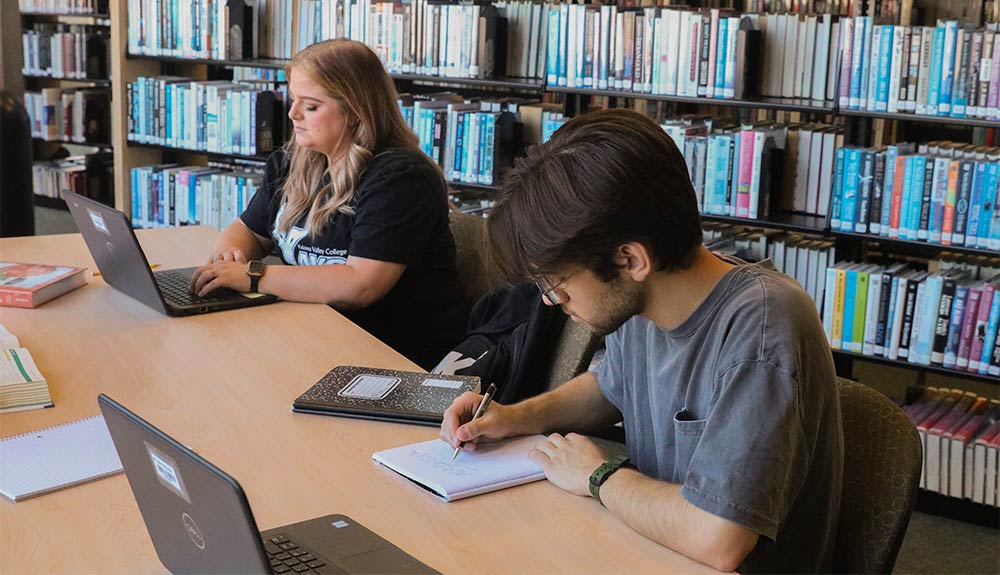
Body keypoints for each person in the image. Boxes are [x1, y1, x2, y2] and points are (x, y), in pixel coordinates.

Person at [440, 109, 843, 573]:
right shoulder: (645, 298)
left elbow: (718, 537)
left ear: (630, 259)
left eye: (557, 282)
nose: (552, 301)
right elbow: (610, 387)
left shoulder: (763, 327)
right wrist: (513, 416)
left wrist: (599, 475)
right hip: (645, 549)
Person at [190, 39, 465, 369]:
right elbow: (248, 229)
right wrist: (229, 257)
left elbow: (360, 284)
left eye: (310, 106)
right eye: (294, 100)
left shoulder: (401, 178)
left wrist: (252, 276)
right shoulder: (294, 162)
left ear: (353, 111)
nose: (292, 114)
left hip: (392, 355)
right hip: (314, 336)